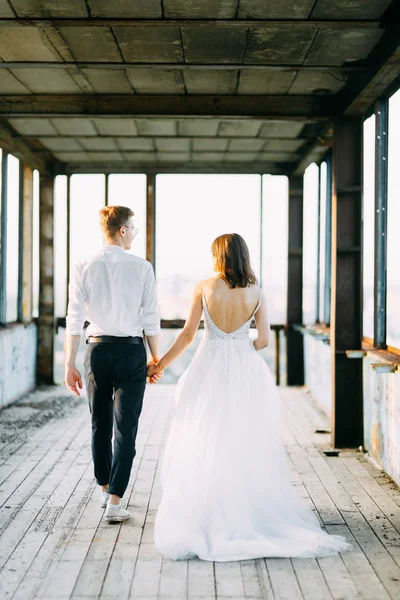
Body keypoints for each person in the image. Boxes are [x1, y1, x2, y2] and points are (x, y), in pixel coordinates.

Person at [148, 233, 352, 561]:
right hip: (244, 367)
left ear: (218, 256)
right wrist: (240, 346)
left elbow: (187, 335)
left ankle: (208, 501)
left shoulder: (204, 286)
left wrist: (158, 364)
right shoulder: (257, 293)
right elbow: (265, 341)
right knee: (241, 434)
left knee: (205, 431)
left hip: (209, 363)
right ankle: (241, 502)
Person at [65, 205, 161, 523]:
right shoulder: (142, 267)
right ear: (122, 230)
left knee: (99, 424)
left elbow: (75, 318)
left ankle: (106, 488)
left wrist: (69, 363)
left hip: (97, 351)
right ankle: (115, 501)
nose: (133, 233)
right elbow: (151, 320)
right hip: (132, 353)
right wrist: (156, 360)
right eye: (132, 228)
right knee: (126, 428)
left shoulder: (83, 265)